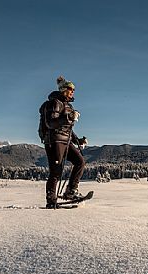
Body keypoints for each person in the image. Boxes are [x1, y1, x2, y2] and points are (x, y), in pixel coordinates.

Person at [38, 76, 88, 208]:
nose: (73, 91)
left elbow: (67, 129)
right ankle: (51, 200)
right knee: (56, 171)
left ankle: (71, 191)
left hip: (65, 141)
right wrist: (69, 117)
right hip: (54, 141)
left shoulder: (67, 105)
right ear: (63, 90)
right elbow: (50, 123)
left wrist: (78, 140)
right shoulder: (55, 103)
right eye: (70, 89)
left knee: (80, 162)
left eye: (73, 90)